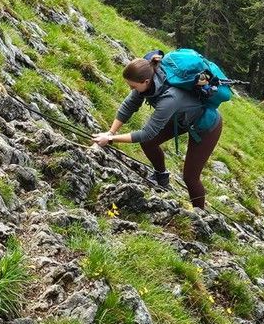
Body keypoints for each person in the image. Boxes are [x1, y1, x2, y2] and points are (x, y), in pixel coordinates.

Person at [92, 54, 222, 209]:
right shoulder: (147, 82)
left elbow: (147, 132)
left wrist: (110, 140)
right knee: (148, 143)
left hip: (206, 126)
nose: (131, 89)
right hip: (180, 118)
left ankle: (200, 214)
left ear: (146, 81)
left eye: (133, 86)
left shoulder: (170, 97)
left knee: (190, 177)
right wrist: (111, 132)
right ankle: (161, 177)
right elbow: (129, 106)